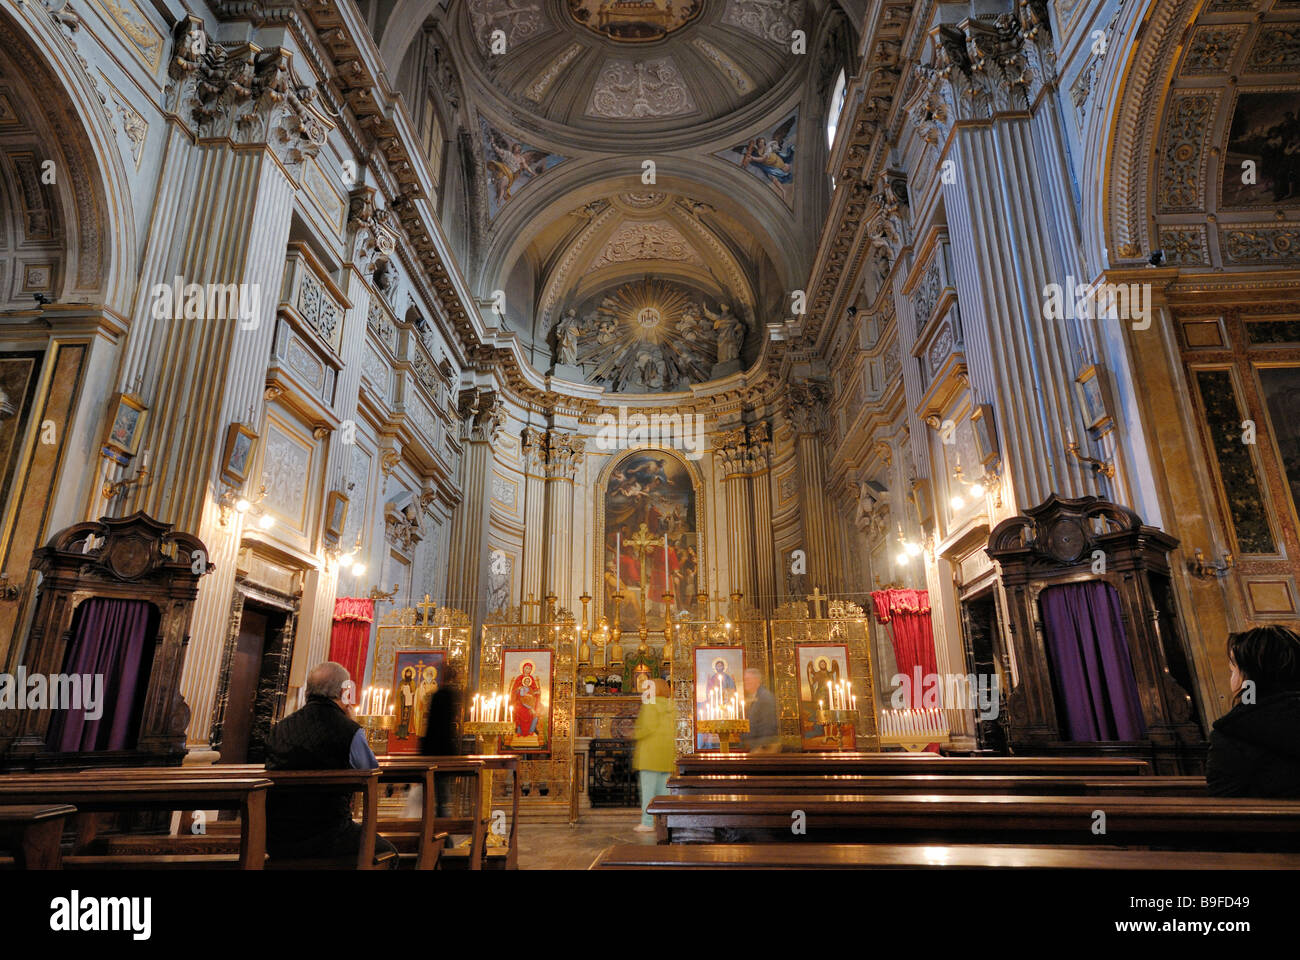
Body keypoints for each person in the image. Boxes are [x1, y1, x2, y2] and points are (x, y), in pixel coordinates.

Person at [264, 661, 398, 864]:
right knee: (387, 854)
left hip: (278, 837)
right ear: (344, 692)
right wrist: (351, 723)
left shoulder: (281, 728)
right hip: (330, 833)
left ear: (308, 691)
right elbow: (371, 772)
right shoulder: (348, 730)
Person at [1206, 625, 1300, 797]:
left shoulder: (1232, 734)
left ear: (1248, 680)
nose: (1231, 679)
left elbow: (1226, 811)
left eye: (1232, 671)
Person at [632, 676, 674, 833]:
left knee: (649, 790)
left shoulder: (650, 705)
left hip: (651, 754)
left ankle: (648, 822)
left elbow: (646, 727)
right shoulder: (672, 706)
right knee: (665, 791)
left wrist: (635, 734)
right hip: (667, 754)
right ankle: (666, 821)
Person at [739, 668, 779, 753]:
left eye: (748, 680)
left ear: (756, 680)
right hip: (757, 746)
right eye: (745, 680)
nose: (745, 683)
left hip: (764, 748)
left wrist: (763, 747)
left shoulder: (765, 697)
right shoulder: (757, 696)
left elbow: (768, 724)